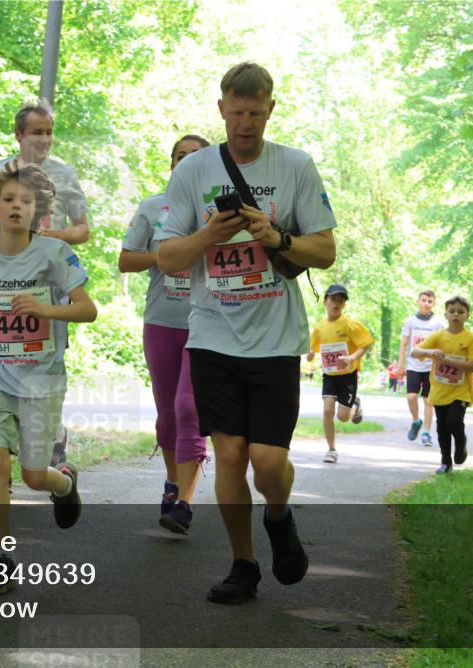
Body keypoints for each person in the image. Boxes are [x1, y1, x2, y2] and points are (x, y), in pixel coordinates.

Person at [155, 62, 336, 603]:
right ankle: (243, 565)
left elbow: (324, 252)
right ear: (221, 110)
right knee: (230, 457)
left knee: (269, 463)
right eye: (236, 113)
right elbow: (167, 258)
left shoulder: (296, 166)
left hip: (276, 338)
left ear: (270, 110)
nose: (245, 124)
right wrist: (210, 233)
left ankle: (279, 518)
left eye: (255, 113)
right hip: (212, 335)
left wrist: (276, 236)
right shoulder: (192, 172)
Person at [0, 162, 97, 594]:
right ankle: (0, 558)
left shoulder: (55, 254)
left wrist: (45, 309)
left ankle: (64, 485)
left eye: (26, 201)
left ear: (38, 210)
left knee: (33, 475)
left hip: (41, 377)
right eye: (9, 200)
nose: (16, 207)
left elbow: (88, 309)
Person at [0, 98, 90, 467]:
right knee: (1, 354)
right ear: (19, 134)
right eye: (37, 132)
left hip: (48, 282)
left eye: (50, 132)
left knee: (41, 357)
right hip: (3, 279)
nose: (45, 139)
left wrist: (46, 236)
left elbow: (83, 231)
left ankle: (51, 435)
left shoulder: (64, 175)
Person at [119, 133, 210, 532]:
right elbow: (125, 261)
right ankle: (173, 483)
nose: (186, 162)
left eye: (196, 157)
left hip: (208, 323)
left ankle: (185, 503)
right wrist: (166, 255)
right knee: (167, 413)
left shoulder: (218, 212)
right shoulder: (153, 208)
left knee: (191, 407)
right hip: (161, 322)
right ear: (171, 164)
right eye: (180, 156)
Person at [411, 296, 473, 474]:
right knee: (442, 426)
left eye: (460, 312)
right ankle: (445, 462)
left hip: (461, 390)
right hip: (440, 389)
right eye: (452, 312)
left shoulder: (471, 339)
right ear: (446, 314)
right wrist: (429, 351)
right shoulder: (438, 336)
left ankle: (460, 443)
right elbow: (415, 351)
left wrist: (449, 361)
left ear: (467, 315)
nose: (456, 315)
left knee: (454, 421)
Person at [307, 284, 374, 464]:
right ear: (325, 301)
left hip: (347, 376)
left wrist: (352, 357)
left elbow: (365, 344)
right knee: (328, 409)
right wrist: (310, 355)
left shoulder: (350, 325)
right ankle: (331, 449)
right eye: (333, 300)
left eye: (340, 301)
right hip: (329, 374)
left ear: (344, 305)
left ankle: (355, 403)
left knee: (343, 417)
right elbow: (312, 348)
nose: (336, 304)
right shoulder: (320, 327)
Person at [397, 290, 445, 446]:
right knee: (411, 397)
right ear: (417, 301)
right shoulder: (410, 321)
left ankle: (426, 432)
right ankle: (416, 420)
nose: (426, 303)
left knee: (428, 400)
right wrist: (400, 364)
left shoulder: (438, 323)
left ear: (434, 304)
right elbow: (404, 344)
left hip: (431, 367)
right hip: (413, 365)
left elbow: (442, 345)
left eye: (430, 301)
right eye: (423, 300)